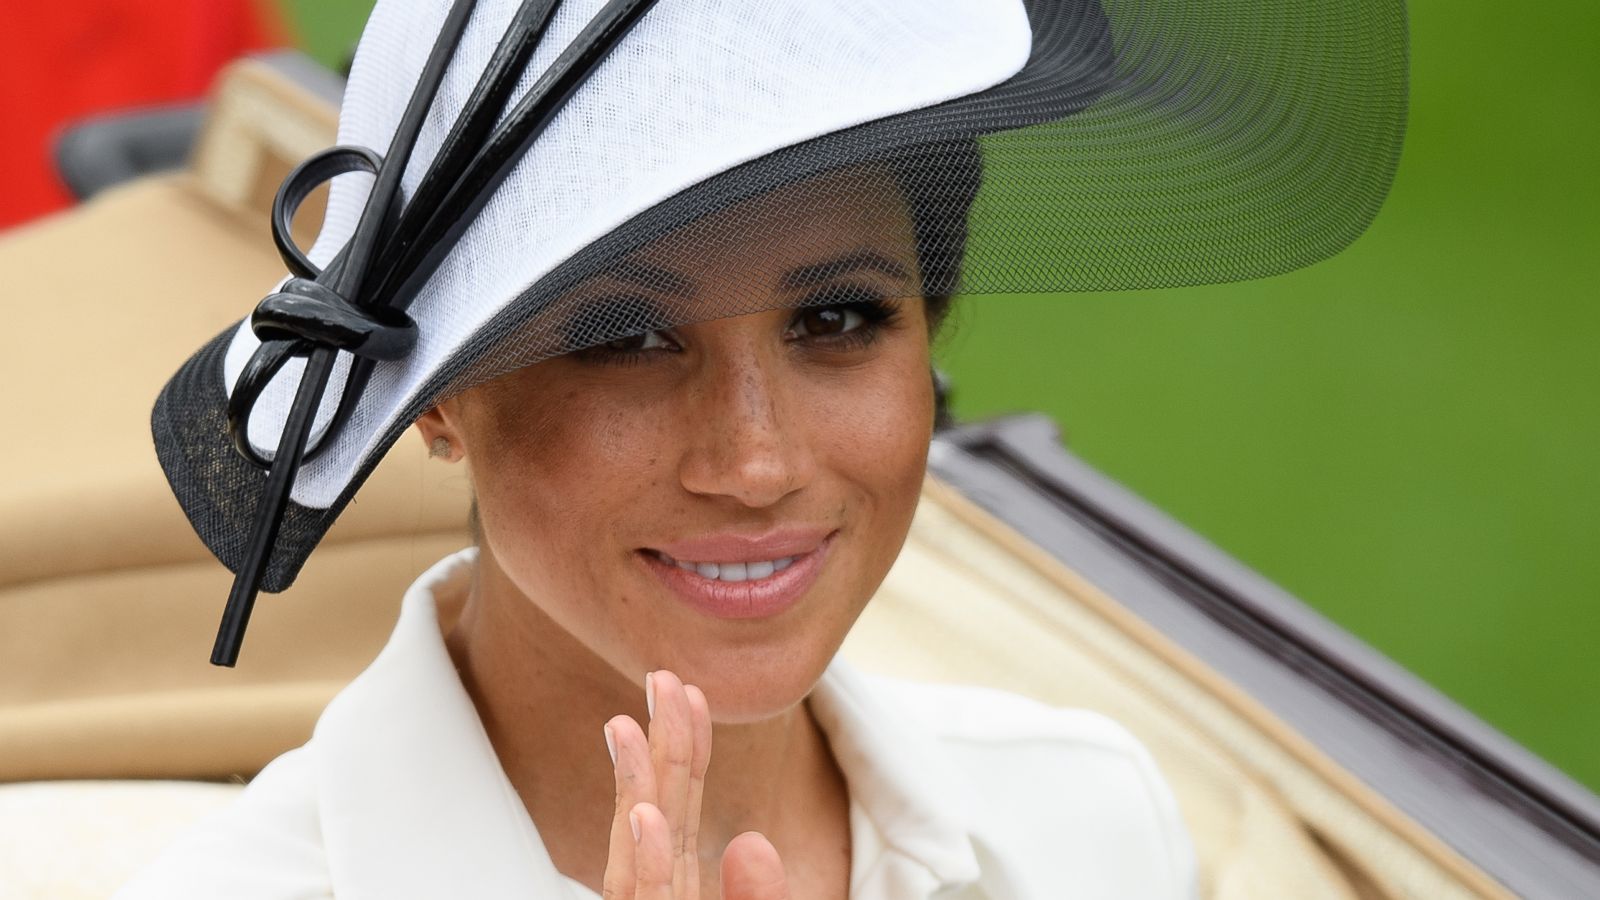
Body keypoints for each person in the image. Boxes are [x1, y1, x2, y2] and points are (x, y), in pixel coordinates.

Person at [125, 0, 1406, 896]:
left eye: (837, 320)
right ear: (435, 399)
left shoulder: (1083, 829)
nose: (754, 462)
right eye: (627, 339)